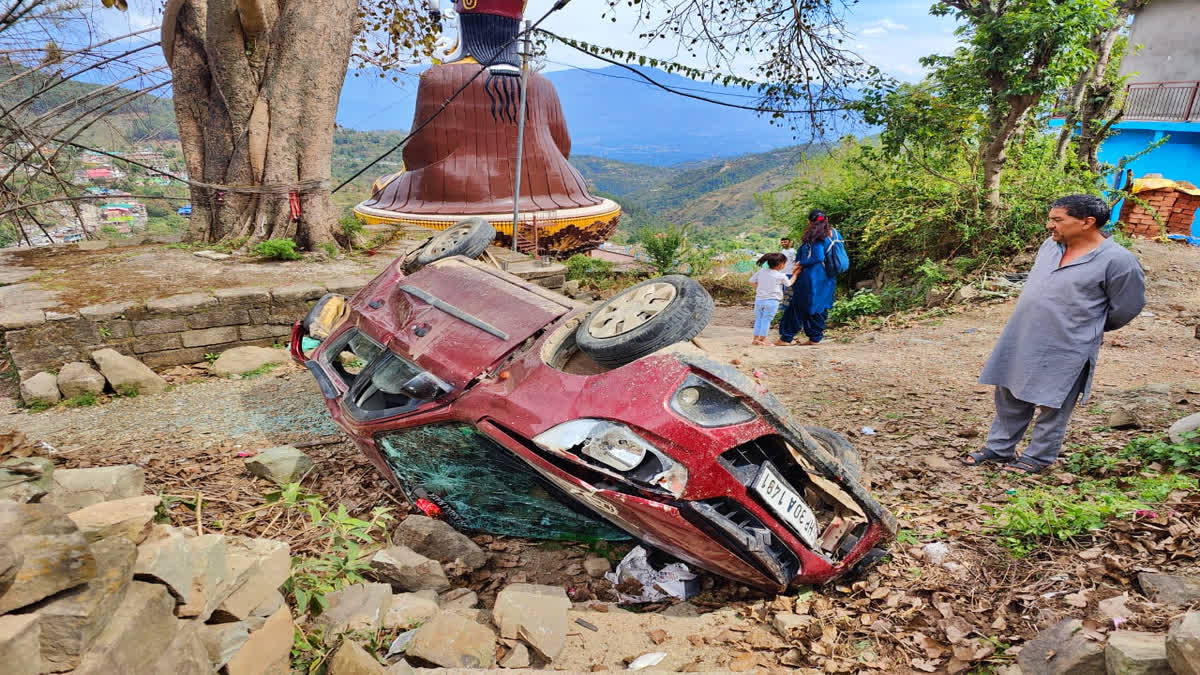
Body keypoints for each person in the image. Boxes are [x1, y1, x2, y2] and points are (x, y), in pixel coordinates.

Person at [964, 194, 1145, 475]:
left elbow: (1127, 307)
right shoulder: (1050, 247)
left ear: (1087, 222)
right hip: (1023, 334)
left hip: (1070, 343)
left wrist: (1087, 326)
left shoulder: (1118, 261)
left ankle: (1038, 458)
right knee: (1010, 393)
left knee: (1053, 403)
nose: (1050, 225)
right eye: (1051, 219)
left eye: (1057, 220)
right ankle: (999, 449)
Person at [776, 210, 837, 346]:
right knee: (819, 307)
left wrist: (800, 263)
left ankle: (786, 338)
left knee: (797, 306)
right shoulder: (832, 234)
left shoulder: (815, 235)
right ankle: (814, 338)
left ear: (809, 221)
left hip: (811, 279)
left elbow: (818, 257)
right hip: (827, 278)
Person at [748, 253, 800, 346]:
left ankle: (755, 339)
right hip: (772, 301)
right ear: (781, 264)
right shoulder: (781, 276)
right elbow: (789, 283)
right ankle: (762, 340)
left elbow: (751, 281)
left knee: (759, 319)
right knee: (766, 320)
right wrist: (795, 274)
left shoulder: (761, 271)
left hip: (759, 300)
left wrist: (761, 287)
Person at [779, 237, 797, 303]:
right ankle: (784, 305)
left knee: (789, 291)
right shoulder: (782, 251)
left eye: (785, 242)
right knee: (783, 290)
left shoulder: (792, 251)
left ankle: (787, 307)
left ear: (789, 243)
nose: (783, 243)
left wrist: (795, 273)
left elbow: (796, 262)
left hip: (790, 273)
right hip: (782, 273)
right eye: (782, 242)